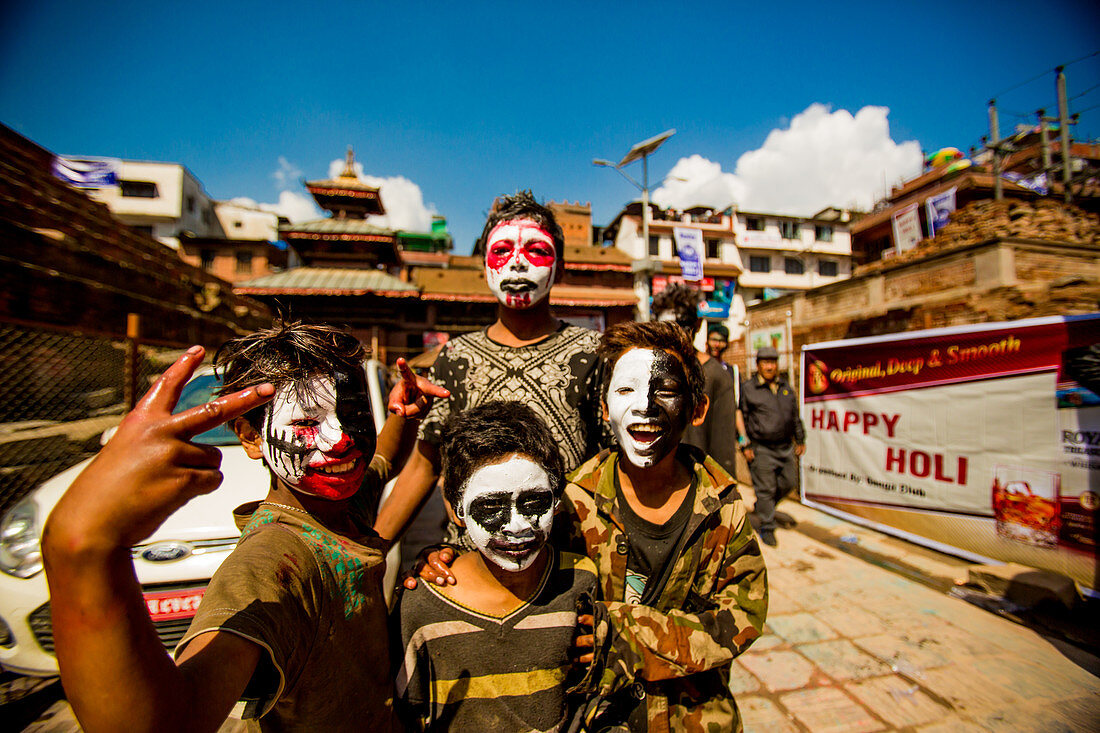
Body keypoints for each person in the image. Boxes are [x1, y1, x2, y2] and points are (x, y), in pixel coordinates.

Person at [42, 322, 447, 732]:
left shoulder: (338, 500)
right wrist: (82, 548)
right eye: (307, 423)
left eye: (355, 415)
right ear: (251, 437)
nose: (341, 439)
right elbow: (169, 723)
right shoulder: (271, 565)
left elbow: (383, 462)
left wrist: (403, 414)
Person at [418, 322, 768, 731]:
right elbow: (518, 581)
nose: (645, 407)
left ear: (697, 408)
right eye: (626, 391)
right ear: (603, 408)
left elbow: (743, 614)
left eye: (666, 391)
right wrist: (448, 565)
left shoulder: (723, 507)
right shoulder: (571, 503)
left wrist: (625, 636)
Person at [376, 191, 607, 551]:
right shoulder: (455, 356)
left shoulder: (593, 352)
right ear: (484, 267)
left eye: (536, 250)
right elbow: (424, 467)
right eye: (501, 251)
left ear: (559, 268)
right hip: (472, 562)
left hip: (567, 561)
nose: (517, 263)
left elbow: (617, 468)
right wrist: (371, 554)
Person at [392, 401, 598, 731]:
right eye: (490, 507)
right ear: (456, 506)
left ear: (556, 500)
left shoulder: (580, 582)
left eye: (533, 502)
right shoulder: (421, 607)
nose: (516, 526)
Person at [651, 283, 739, 477]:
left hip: (697, 486)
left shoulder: (716, 376)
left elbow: (723, 446)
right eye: (666, 327)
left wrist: (723, 494)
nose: (674, 334)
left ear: (697, 325)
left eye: (682, 325)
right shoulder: (647, 370)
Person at [736, 345, 806, 547]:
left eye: (772, 362)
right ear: (758, 365)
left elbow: (794, 416)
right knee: (765, 488)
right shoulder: (749, 389)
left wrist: (800, 439)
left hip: (784, 447)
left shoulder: (785, 388)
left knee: (789, 482)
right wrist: (745, 445)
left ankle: (764, 507)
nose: (769, 367)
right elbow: (741, 417)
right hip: (761, 448)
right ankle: (767, 526)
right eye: (765, 362)